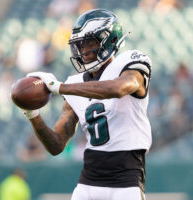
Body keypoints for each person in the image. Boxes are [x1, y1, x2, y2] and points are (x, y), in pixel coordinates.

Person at [19, 9, 152, 200]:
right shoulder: (74, 84)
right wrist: (32, 113)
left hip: (126, 177)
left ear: (109, 40)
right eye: (80, 45)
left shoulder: (130, 62)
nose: (83, 50)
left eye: (89, 42)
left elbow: (120, 88)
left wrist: (60, 88)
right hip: (89, 180)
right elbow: (56, 145)